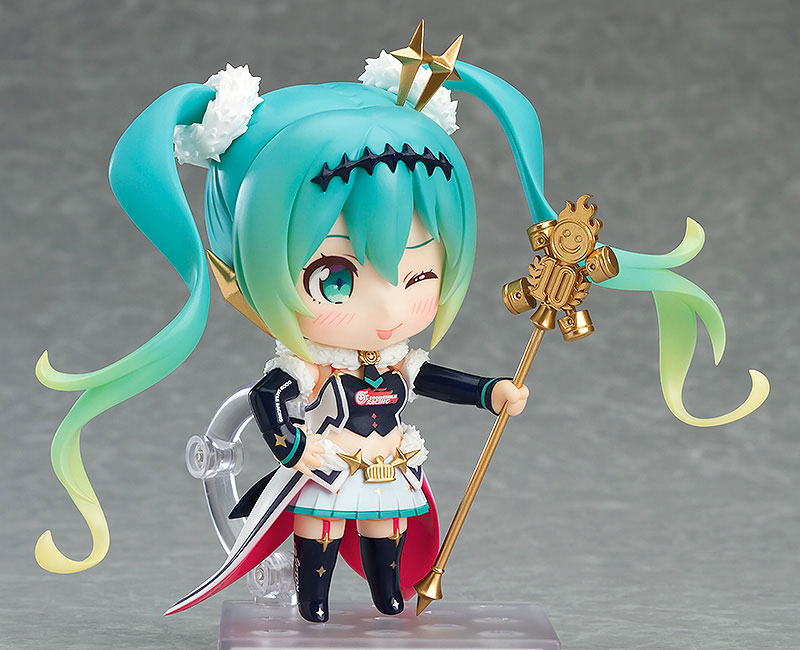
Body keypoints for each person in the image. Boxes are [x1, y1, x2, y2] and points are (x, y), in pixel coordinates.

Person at [36, 25, 768, 623]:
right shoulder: (308, 368)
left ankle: (388, 593)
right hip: (329, 462)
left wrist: (490, 393)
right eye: (335, 278)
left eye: (420, 276)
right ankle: (314, 600)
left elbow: (435, 378)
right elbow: (267, 401)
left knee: (386, 525)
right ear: (242, 269)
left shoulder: (395, 361)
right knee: (320, 529)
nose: (390, 310)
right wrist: (297, 447)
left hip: (388, 459)